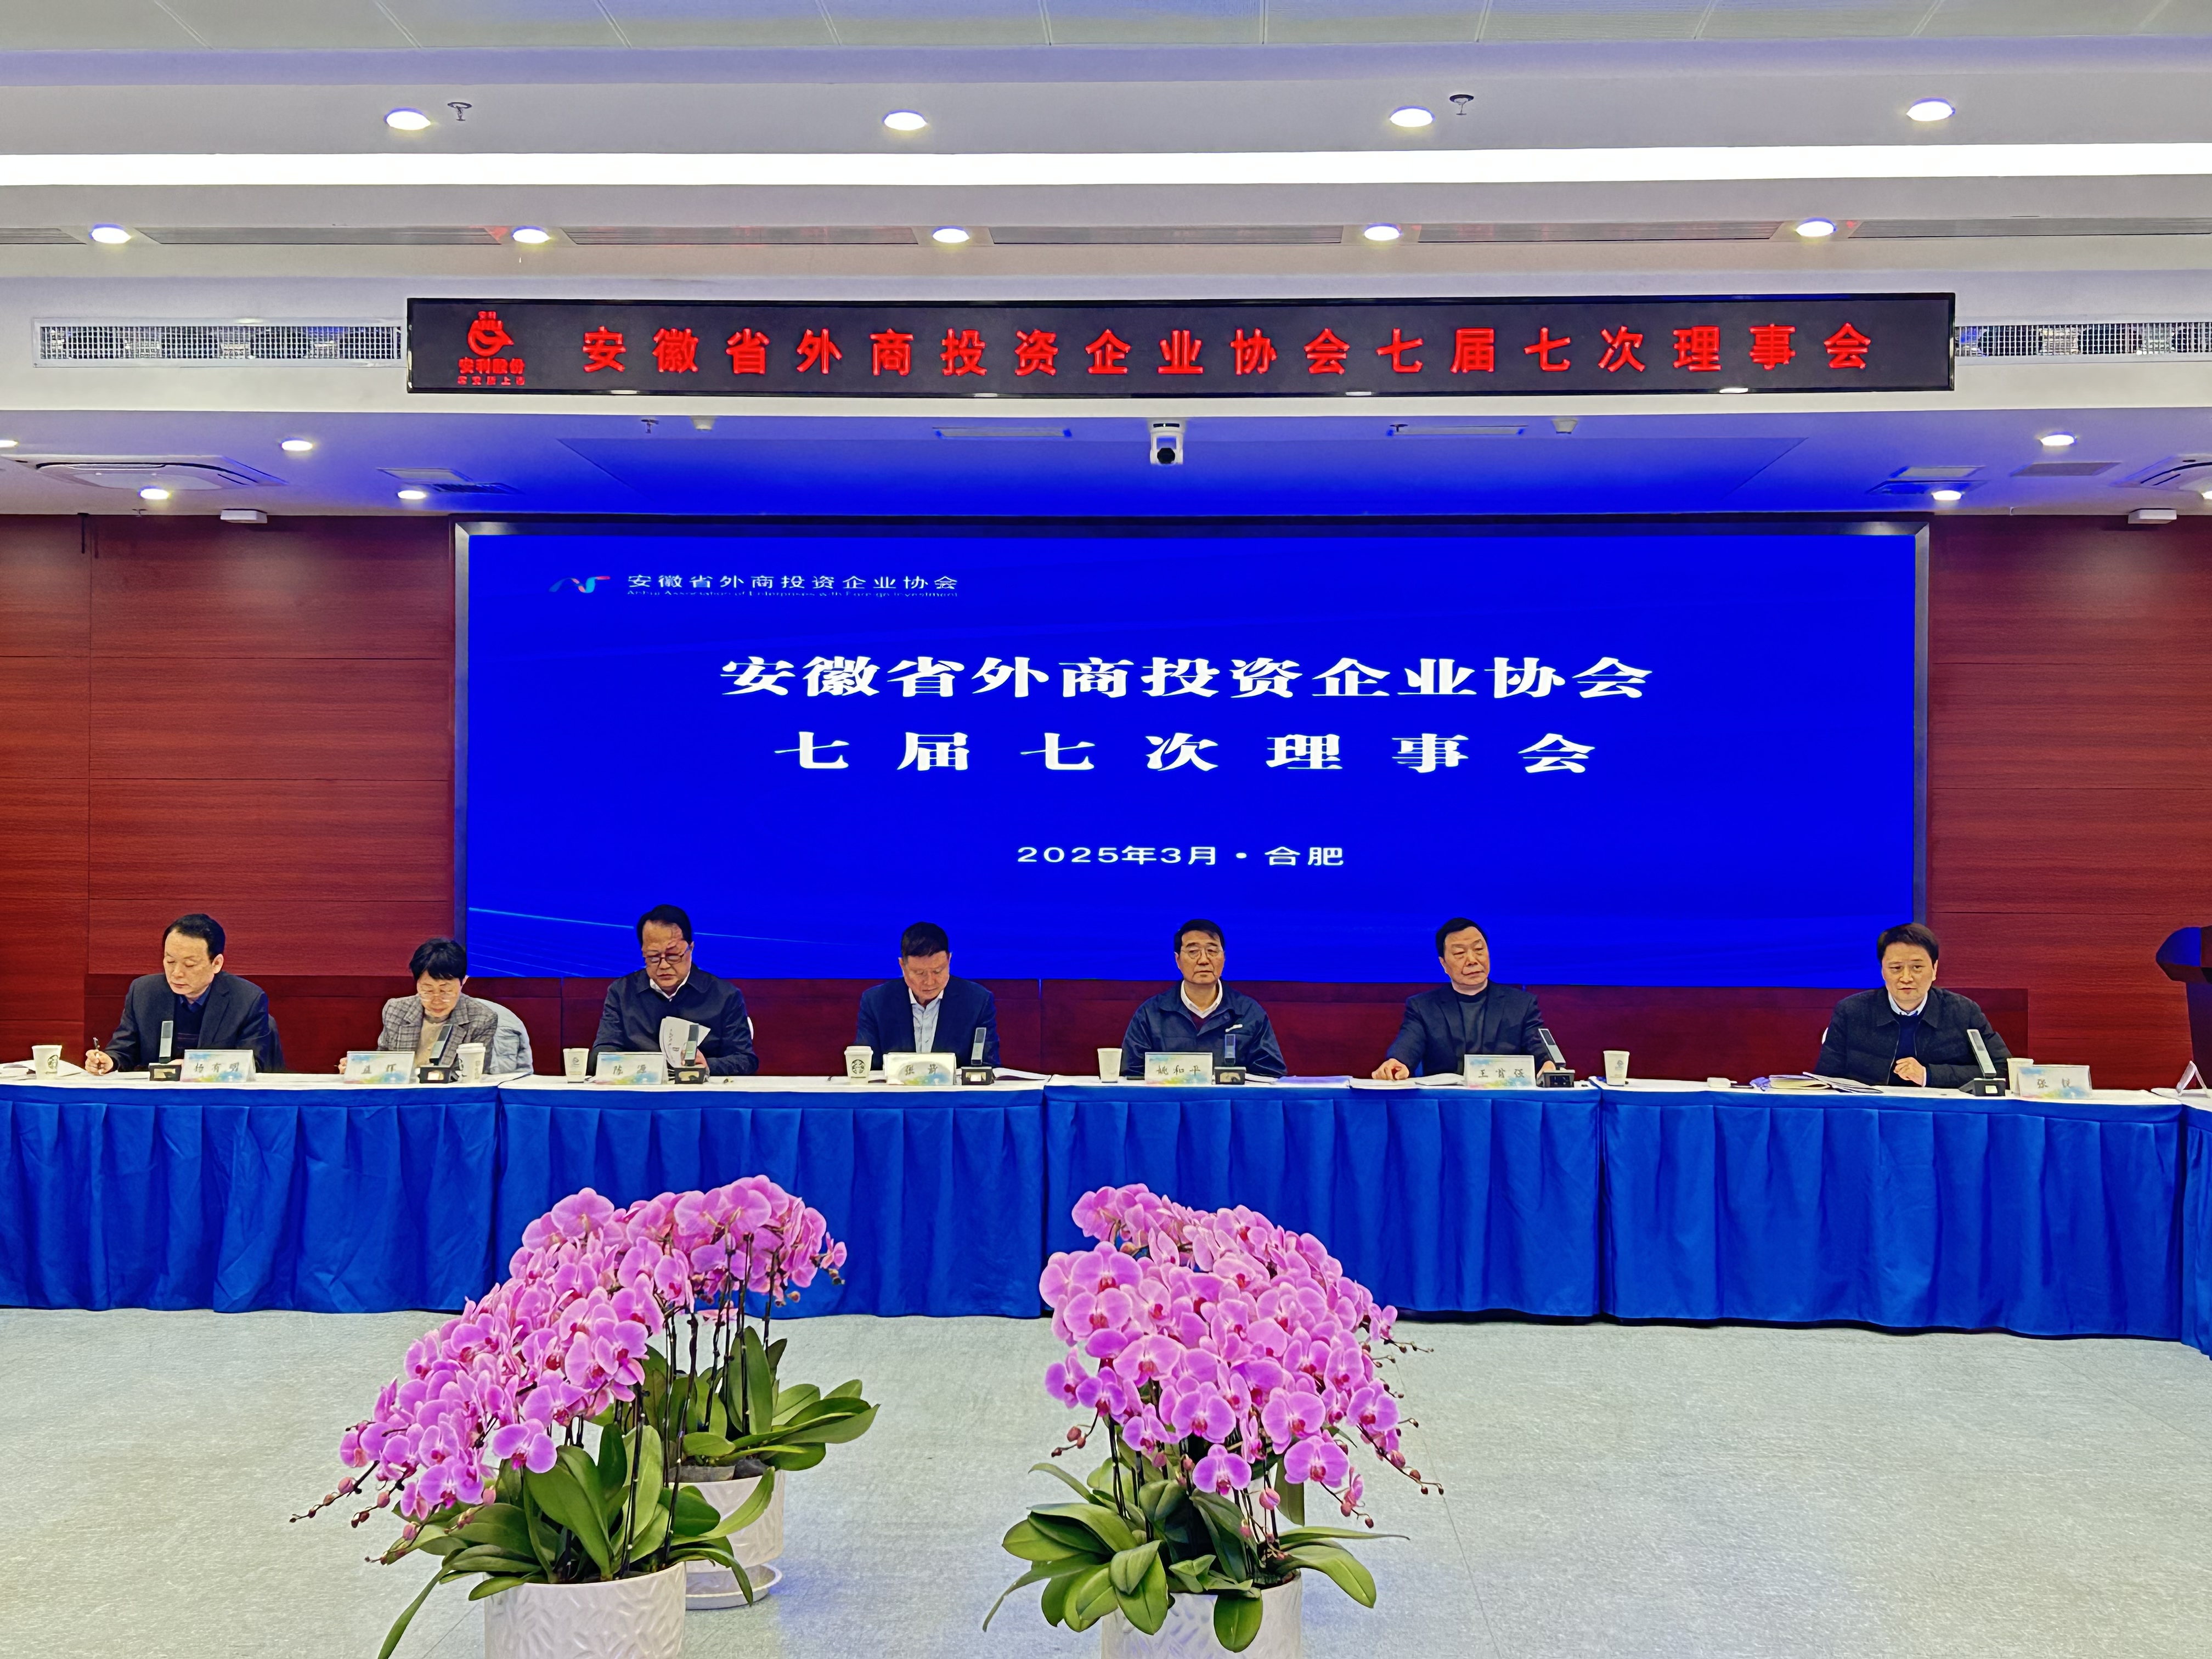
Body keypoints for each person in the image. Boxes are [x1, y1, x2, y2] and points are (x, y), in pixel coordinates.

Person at [1815, 922, 2010, 1088]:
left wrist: (1929, 1075)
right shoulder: (1851, 1011)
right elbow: (1827, 1078)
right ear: (1883, 971)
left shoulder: (1963, 1011)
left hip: (1939, 1112)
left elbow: (2002, 1070)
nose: (1906, 978)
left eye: (1917, 967)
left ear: (1934, 969)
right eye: (1896, 968)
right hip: (1870, 1111)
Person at [86, 912, 284, 1074]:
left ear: (216, 963)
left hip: (217, 1101)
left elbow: (251, 1065)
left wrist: (193, 1069)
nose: (177, 973)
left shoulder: (247, 1000)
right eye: (170, 961)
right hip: (158, 1097)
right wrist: (109, 1060)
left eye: (189, 964)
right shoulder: (144, 992)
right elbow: (124, 1048)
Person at [1373, 917, 1559, 1079]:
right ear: (1444, 964)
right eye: (1459, 954)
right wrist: (1398, 1062)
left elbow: (1538, 1045)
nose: (1472, 960)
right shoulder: (1423, 1007)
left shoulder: (1521, 1004)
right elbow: (1409, 1043)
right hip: (1448, 1101)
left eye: (1479, 949)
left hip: (1504, 1098)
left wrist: (1548, 1063)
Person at [592, 903, 758, 1076]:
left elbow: (745, 1059)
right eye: (653, 957)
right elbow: (602, 1053)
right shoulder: (622, 992)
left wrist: (709, 1066)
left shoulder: (725, 996)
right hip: (640, 1087)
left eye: (673, 955)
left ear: (691, 949)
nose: (664, 965)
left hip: (700, 1089)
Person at [1118, 919, 1284, 1079]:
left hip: (1228, 1099)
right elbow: (1132, 1075)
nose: (1204, 960)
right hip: (1169, 1100)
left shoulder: (1249, 1013)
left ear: (1224, 958)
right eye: (1193, 952)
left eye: (1212, 951)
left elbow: (1270, 1074)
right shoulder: (1151, 1014)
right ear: (1178, 960)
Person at [376, 937, 532, 1075]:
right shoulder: (396, 1010)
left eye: (446, 991)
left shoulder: (482, 1018)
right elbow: (383, 1064)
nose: (436, 1000)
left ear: (464, 981)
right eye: (427, 990)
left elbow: (473, 1076)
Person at [856, 921, 1000, 1068]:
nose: (930, 982)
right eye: (919, 973)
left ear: (949, 960)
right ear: (902, 966)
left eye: (938, 971)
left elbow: (988, 1067)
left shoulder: (977, 1001)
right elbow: (865, 1067)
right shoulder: (876, 1002)